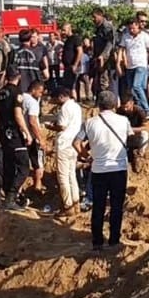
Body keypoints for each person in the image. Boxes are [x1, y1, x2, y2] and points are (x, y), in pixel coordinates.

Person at [78, 91, 134, 250]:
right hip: (119, 169)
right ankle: (114, 240)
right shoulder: (124, 120)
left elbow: (77, 143)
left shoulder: (89, 123)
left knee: (98, 206)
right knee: (116, 206)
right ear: (115, 104)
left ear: (98, 104)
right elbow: (129, 137)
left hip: (98, 169)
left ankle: (97, 242)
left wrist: (87, 156)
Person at [0, 74, 32, 209]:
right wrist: (26, 132)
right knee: (24, 166)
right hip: (14, 133)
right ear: (19, 76)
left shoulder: (0, 92)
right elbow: (18, 114)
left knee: (9, 166)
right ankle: (11, 197)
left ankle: (10, 196)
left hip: (3, 133)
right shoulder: (16, 92)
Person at [49, 83, 85, 214]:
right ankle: (76, 204)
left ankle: (67, 206)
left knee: (63, 177)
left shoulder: (64, 108)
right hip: (74, 144)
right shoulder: (77, 106)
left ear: (61, 97)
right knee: (72, 175)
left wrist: (51, 127)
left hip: (64, 144)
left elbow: (62, 127)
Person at [116, 18, 149, 114]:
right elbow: (121, 50)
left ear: (138, 27)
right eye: (130, 28)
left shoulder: (144, 36)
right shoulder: (125, 37)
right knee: (132, 90)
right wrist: (118, 64)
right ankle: (140, 109)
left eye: (134, 28)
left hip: (141, 65)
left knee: (136, 86)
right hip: (130, 66)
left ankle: (147, 109)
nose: (131, 30)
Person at [22, 80, 47, 197]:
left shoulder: (21, 98)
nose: (41, 95)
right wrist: (40, 139)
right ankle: (37, 185)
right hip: (31, 137)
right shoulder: (32, 102)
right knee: (38, 163)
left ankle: (19, 189)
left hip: (20, 136)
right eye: (40, 92)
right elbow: (32, 121)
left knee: (21, 164)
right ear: (34, 90)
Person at [90, 8, 117, 99]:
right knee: (98, 83)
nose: (93, 19)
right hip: (98, 59)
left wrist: (103, 56)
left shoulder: (107, 27)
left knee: (104, 82)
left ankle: (106, 103)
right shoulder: (98, 28)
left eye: (94, 17)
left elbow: (110, 43)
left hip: (106, 60)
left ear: (101, 15)